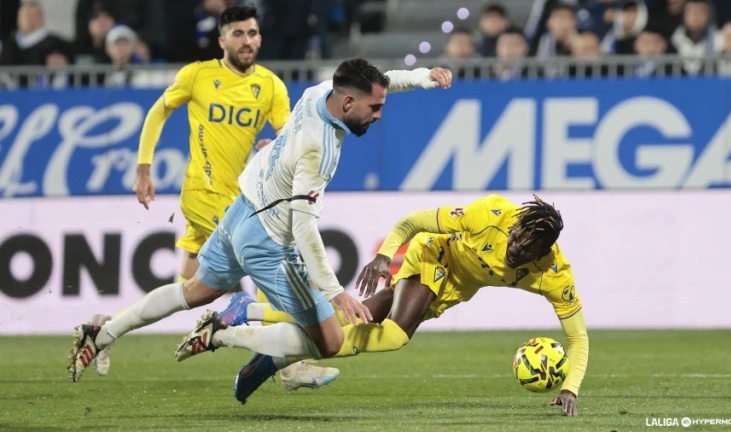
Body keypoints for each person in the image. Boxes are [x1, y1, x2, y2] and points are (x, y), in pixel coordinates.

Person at [67, 57, 454, 385]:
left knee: (194, 290)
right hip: (268, 242)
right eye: (374, 108)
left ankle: (102, 333)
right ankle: (222, 333)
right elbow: (303, 228)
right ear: (349, 102)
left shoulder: (320, 93)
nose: (379, 115)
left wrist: (422, 77)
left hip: (242, 211)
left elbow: (380, 83)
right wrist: (335, 291)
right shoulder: (318, 151)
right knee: (331, 340)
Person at [83, 4, 334, 390]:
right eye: (238, 34)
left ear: (260, 38)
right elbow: (158, 112)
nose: (246, 40)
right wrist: (144, 167)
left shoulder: (270, 85)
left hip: (240, 197)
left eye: (252, 33)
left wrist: (273, 145)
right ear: (222, 40)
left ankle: (105, 328)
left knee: (188, 289)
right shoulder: (198, 75)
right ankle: (289, 365)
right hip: (203, 193)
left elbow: (287, 137)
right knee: (268, 258)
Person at [178, 194, 589, 415]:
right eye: (515, 239)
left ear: (544, 252)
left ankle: (247, 313)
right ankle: (246, 340)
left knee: (350, 316)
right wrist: (384, 255)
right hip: (432, 258)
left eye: (525, 251)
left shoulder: (554, 274)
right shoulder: (490, 214)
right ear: (513, 226)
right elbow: (415, 221)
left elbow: (579, 338)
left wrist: (570, 386)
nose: (514, 250)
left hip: (451, 291)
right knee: (394, 336)